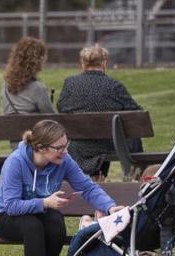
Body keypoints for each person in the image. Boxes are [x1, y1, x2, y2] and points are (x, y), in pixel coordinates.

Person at [0, 119, 126, 256]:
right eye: (59, 147)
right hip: (6, 216)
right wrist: (45, 202)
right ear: (40, 147)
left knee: (55, 223)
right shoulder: (16, 162)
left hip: (38, 214)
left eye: (66, 145)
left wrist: (110, 207)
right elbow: (11, 206)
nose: (65, 151)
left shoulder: (64, 161)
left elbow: (87, 187)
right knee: (33, 226)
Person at [56, 44, 143, 179]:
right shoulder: (114, 86)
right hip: (108, 145)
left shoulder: (70, 84)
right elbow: (137, 115)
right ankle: (135, 175)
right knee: (130, 137)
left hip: (79, 145)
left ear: (83, 64)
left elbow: (61, 107)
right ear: (104, 63)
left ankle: (97, 177)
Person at [0, 37, 55, 114]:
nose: (45, 59)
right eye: (43, 56)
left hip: (8, 126)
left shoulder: (5, 85)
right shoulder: (38, 88)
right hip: (31, 126)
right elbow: (51, 117)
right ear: (37, 60)